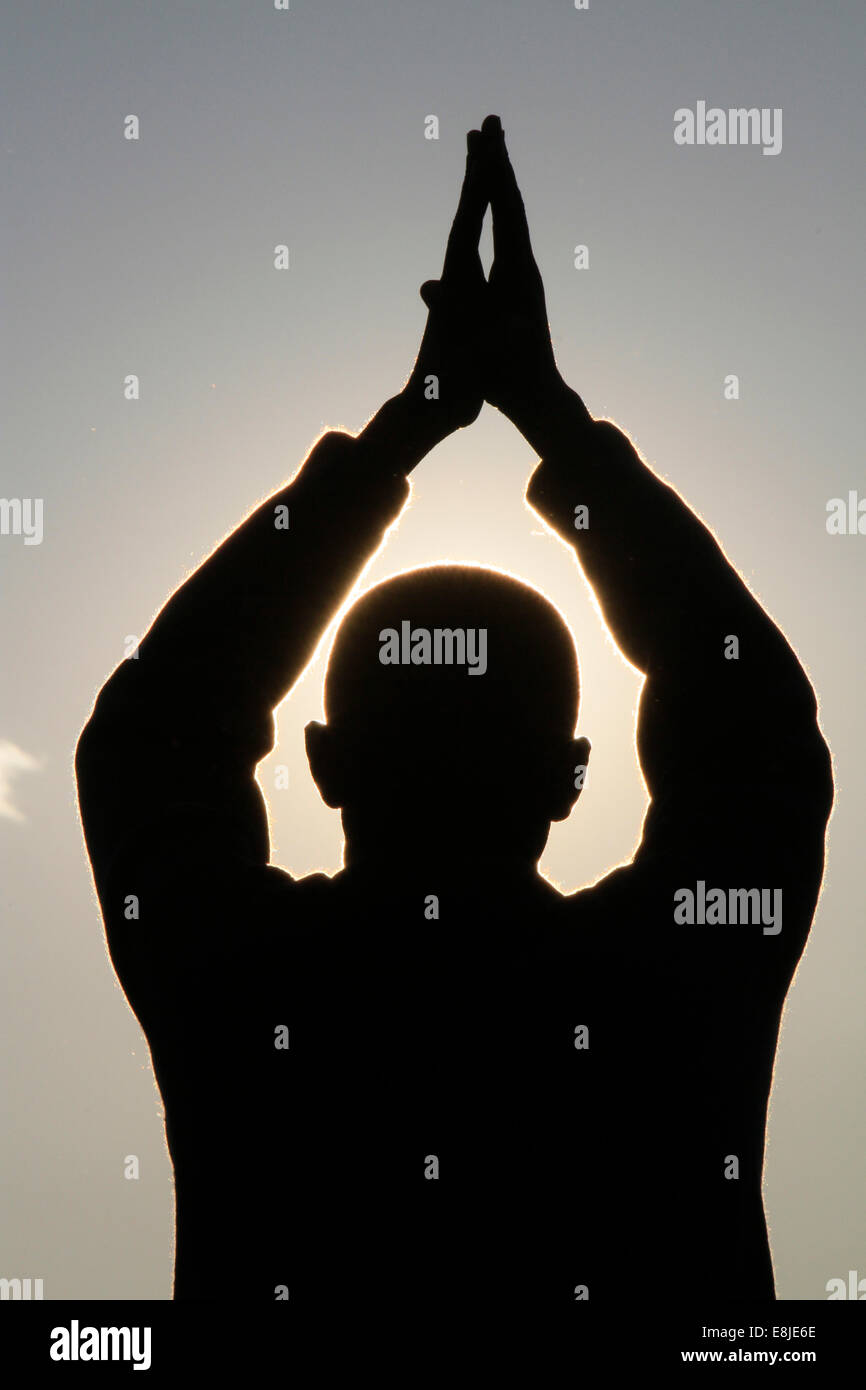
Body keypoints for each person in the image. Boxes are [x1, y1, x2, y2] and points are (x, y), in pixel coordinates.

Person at [76, 115, 833, 1310]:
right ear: (569, 780)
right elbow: (751, 717)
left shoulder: (243, 990)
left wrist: (407, 429)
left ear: (322, 764)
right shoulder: (669, 986)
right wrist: (552, 422)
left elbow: (154, 725)